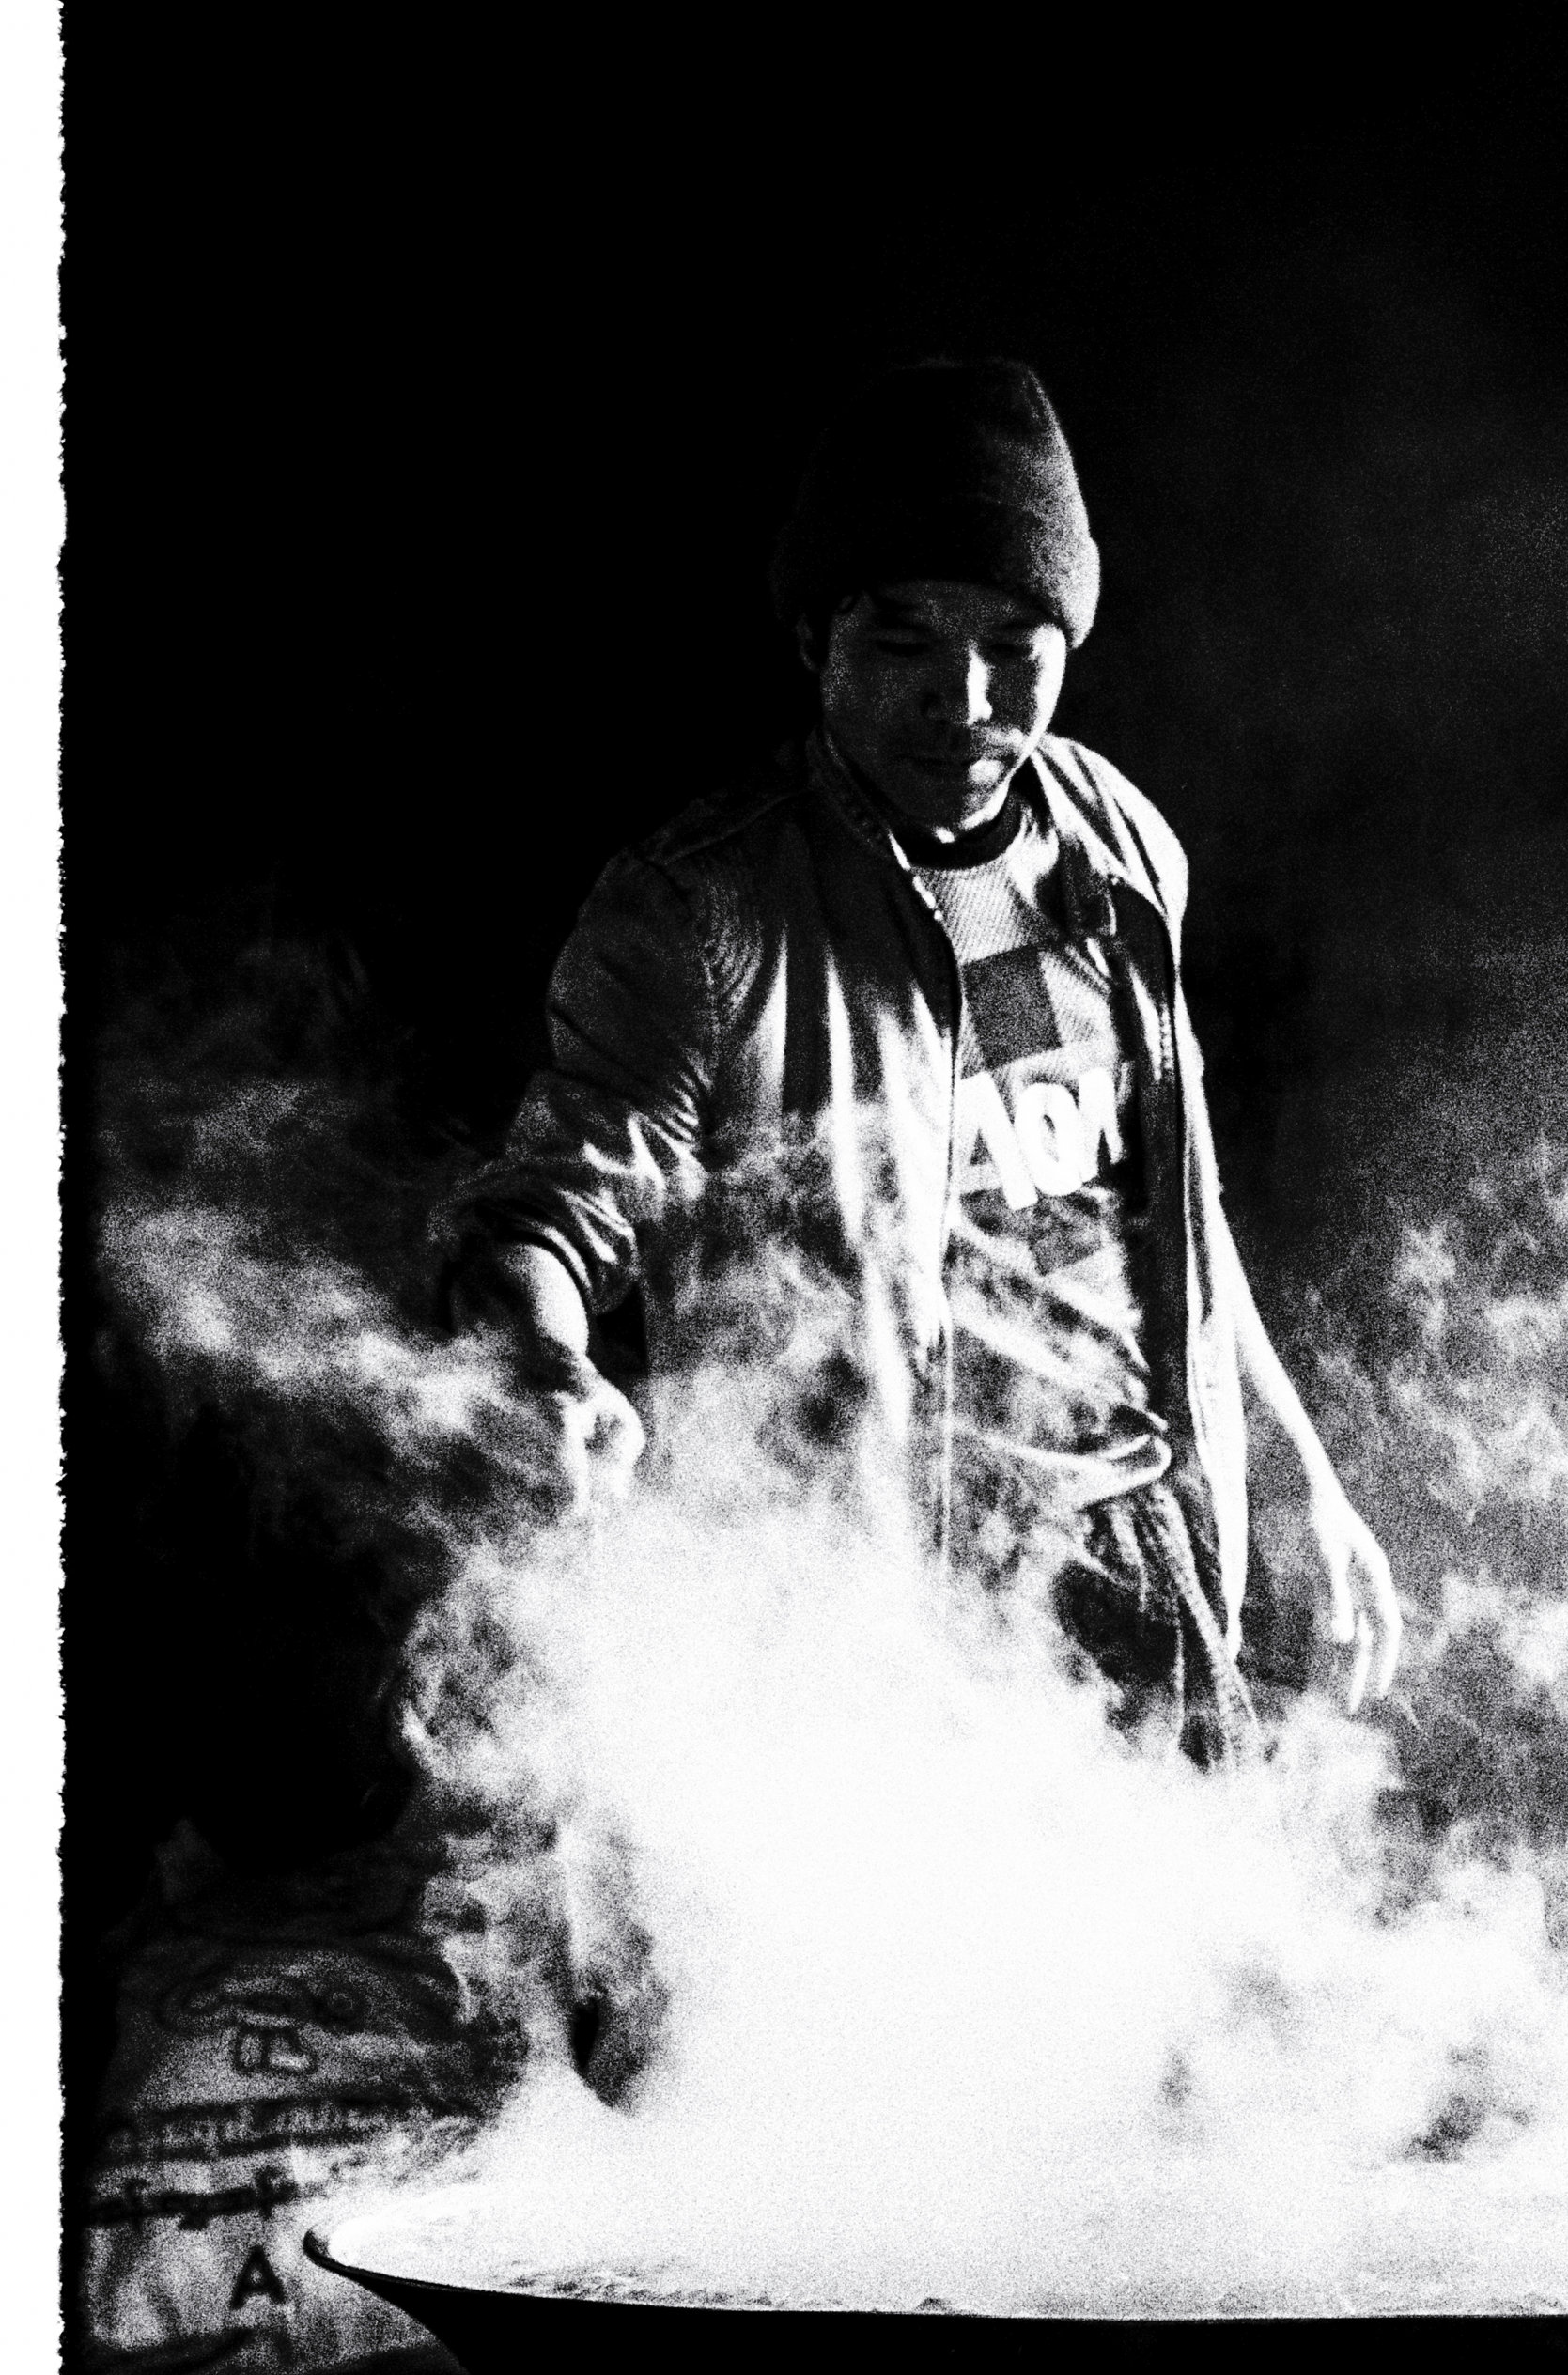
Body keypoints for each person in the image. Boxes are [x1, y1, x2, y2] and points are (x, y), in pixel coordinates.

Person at [440, 357, 1401, 1752]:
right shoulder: (695, 915)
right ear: (816, 638)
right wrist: (547, 1367)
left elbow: (1169, 1209)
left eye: (1015, 648)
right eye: (901, 643)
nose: (964, 701)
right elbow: (548, 1207)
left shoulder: (1121, 848)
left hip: (1147, 1567)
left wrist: (1306, 1474)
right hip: (878, 1614)